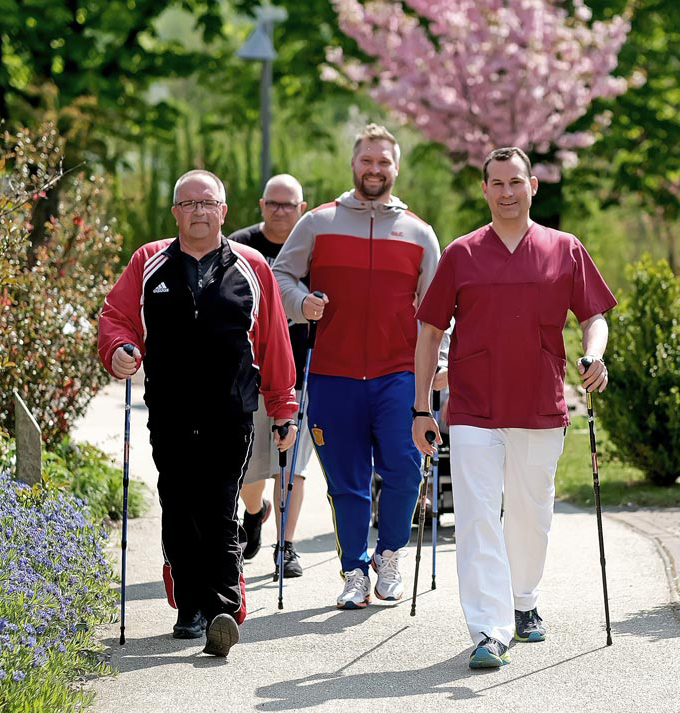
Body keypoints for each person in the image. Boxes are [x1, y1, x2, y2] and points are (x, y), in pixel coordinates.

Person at [412, 147, 616, 670]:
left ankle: (524, 600)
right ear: (484, 190)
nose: (506, 192)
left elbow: (595, 315)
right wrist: (420, 409)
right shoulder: (461, 253)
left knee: (531, 516)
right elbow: (430, 329)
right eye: (496, 183)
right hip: (475, 407)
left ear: (533, 187)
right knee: (479, 516)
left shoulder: (564, 248)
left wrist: (595, 355)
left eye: (515, 182)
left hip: (540, 405)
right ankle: (489, 628)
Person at [97, 169, 297, 658]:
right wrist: (120, 349)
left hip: (231, 410)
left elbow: (273, 342)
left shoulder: (252, 267)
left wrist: (283, 407)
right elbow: (116, 317)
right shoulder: (148, 263)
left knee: (218, 502)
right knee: (178, 503)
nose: (199, 212)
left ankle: (223, 609)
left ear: (224, 212)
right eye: (188, 204)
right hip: (168, 408)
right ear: (175, 213)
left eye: (208, 203)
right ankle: (189, 605)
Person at [272, 124, 443, 609]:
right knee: (345, 481)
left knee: (404, 472)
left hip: (399, 378)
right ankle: (354, 571)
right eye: (367, 160)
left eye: (383, 162)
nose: (374, 169)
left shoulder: (418, 232)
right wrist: (301, 302)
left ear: (395, 167)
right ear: (354, 163)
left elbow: (436, 311)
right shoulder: (319, 222)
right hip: (333, 376)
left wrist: (441, 367)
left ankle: (389, 557)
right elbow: (279, 274)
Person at [227, 174, 311, 578]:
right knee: (250, 471)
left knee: (290, 465)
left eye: (288, 205)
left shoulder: (311, 250)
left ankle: (287, 547)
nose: (281, 211)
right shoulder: (240, 246)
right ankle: (255, 512)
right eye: (273, 204)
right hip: (252, 372)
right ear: (262, 206)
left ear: (302, 209)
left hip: (302, 370)